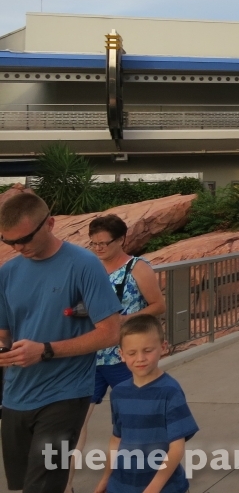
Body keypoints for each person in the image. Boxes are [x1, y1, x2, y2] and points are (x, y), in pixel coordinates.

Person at [0, 191, 122, 493]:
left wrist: (46, 351)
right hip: (15, 396)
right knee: (23, 486)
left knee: (42, 487)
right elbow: (4, 333)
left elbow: (110, 332)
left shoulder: (84, 265)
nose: (18, 247)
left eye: (25, 238)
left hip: (64, 395)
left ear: (50, 224)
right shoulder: (7, 273)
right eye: (8, 241)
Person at [65, 215, 166, 493]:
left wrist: (126, 320)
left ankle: (123, 482)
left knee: (132, 423)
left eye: (104, 243)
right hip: (90, 357)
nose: (98, 248)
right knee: (74, 423)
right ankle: (66, 484)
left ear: (121, 239)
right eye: (93, 243)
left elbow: (158, 305)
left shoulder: (137, 267)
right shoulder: (88, 268)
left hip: (126, 358)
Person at [94, 315, 198, 493]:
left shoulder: (170, 391)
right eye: (132, 353)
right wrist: (105, 479)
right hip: (121, 486)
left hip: (165, 488)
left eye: (147, 350)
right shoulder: (118, 393)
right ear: (122, 355)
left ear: (163, 347)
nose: (140, 358)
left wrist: (154, 488)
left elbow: (176, 448)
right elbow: (116, 439)